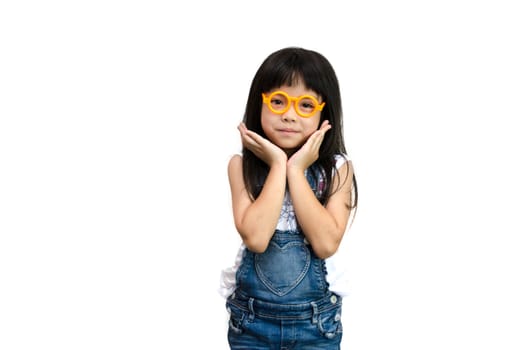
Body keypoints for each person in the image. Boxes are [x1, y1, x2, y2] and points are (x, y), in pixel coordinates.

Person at [219, 47, 358, 349]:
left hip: (317, 325)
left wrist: (297, 170)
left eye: (305, 105)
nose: (289, 115)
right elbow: (256, 237)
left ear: (325, 112)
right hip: (252, 324)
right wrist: (278, 164)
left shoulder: (337, 170)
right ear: (260, 103)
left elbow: (325, 243)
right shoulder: (240, 166)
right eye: (278, 102)